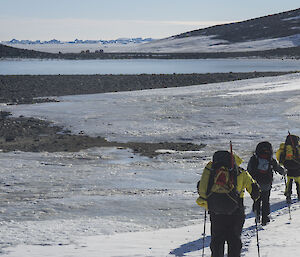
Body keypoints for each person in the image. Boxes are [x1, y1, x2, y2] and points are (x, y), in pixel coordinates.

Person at [197, 150, 260, 257]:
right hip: (236, 211)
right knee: (234, 241)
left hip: (215, 210)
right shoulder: (240, 172)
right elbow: (254, 191)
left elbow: (201, 189)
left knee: (217, 241)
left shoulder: (212, 171)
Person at [247, 141, 285, 226]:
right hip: (267, 183)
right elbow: (278, 168)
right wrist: (284, 172)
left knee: (257, 199)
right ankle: (265, 219)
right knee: (265, 200)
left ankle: (257, 214)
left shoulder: (254, 158)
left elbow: (249, 170)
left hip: (256, 183)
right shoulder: (270, 159)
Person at [276, 134, 300, 203]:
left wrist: (283, 164)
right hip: (297, 168)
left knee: (289, 182)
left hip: (288, 168)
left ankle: (288, 195)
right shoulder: (298, 147)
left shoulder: (284, 148)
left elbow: (279, 157)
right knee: (298, 182)